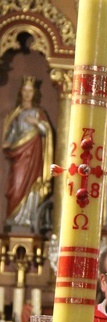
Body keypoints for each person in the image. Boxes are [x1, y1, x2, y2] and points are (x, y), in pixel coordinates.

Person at [2, 76, 53, 229]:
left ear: (34, 93)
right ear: (21, 92)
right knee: (17, 185)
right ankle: (15, 218)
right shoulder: (16, 114)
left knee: (31, 184)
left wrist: (36, 123)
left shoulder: (38, 113)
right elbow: (10, 135)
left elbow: (47, 133)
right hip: (19, 158)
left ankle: (28, 218)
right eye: (25, 90)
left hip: (33, 156)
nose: (27, 94)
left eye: (30, 91)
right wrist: (8, 142)